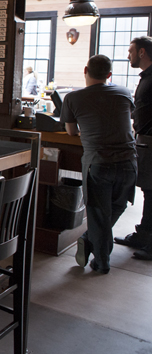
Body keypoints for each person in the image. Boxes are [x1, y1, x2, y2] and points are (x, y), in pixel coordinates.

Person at [61, 54, 137, 274]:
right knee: (118, 207)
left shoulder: (73, 98)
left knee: (98, 214)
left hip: (99, 162)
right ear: (109, 75)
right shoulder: (124, 93)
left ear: (86, 70)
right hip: (129, 162)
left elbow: (71, 131)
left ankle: (101, 261)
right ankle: (90, 240)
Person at [115, 36, 152, 260]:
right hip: (145, 140)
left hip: (151, 140)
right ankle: (142, 235)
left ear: (141, 52)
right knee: (148, 191)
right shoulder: (146, 77)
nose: (127, 55)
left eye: (130, 50)